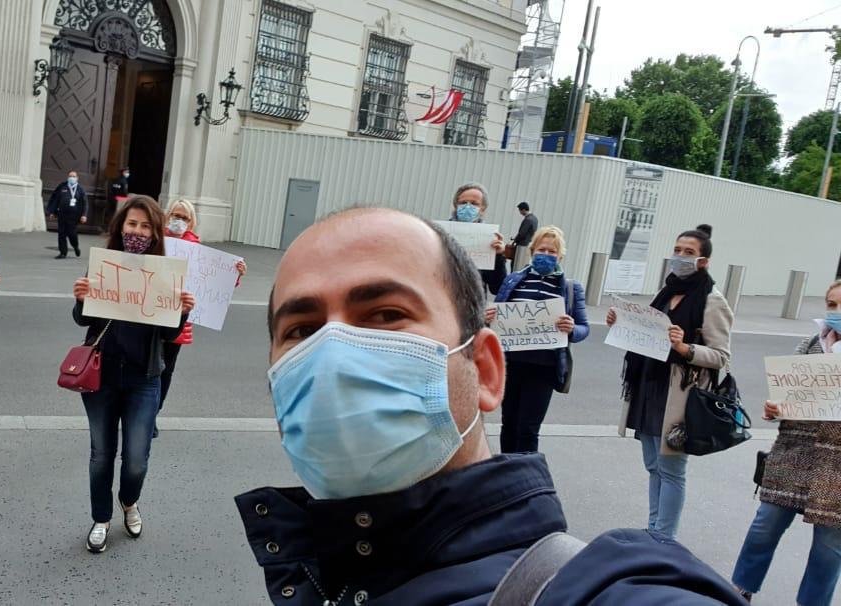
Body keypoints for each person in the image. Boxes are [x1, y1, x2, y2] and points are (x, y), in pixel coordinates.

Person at [238, 206, 745, 604]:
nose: (334, 354)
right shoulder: (314, 575)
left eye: (387, 315)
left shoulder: (597, 592)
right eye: (301, 330)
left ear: (483, 370)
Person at [71, 195, 195, 554]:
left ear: (155, 232)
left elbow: (169, 335)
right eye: (132, 224)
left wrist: (182, 312)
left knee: (137, 458)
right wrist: (81, 299)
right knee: (101, 454)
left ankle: (129, 501)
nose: (137, 232)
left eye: (145, 226)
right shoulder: (104, 266)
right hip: (102, 376)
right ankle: (101, 518)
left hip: (144, 379)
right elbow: (83, 320)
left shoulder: (165, 274)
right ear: (121, 227)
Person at [609, 224, 733, 540]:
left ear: (703, 261)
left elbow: (720, 356)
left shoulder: (712, 300)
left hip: (679, 394)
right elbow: (645, 330)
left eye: (688, 252)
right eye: (677, 250)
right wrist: (620, 323)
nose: (680, 257)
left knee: (672, 470)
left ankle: (664, 536)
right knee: (654, 465)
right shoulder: (666, 291)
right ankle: (655, 529)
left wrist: (684, 348)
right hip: (649, 385)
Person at [731, 280, 841, 606]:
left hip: (837, 467)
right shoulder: (810, 345)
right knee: (764, 526)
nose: (835, 311)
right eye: (831, 304)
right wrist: (774, 409)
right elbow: (785, 397)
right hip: (793, 454)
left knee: (828, 548)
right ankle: (740, 590)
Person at [485, 226, 588, 453]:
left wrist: (572, 329)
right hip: (511, 364)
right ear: (532, 252)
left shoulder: (571, 288)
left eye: (552, 251)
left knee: (528, 429)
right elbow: (495, 317)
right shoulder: (513, 281)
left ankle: (526, 471)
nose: (546, 255)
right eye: (542, 250)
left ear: (560, 256)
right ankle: (509, 468)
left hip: (544, 368)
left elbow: (584, 329)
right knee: (509, 424)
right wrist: (489, 318)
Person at [156, 199, 247, 438]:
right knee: (149, 368)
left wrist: (234, 274)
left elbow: (213, 284)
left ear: (191, 222)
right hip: (153, 317)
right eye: (175, 215)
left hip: (179, 321)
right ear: (167, 216)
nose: (178, 221)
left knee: (166, 370)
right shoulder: (157, 241)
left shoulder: (197, 249)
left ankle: (153, 412)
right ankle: (142, 411)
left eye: (184, 218)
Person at [449, 183, 507, 294]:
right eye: (463, 203)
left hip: (472, 301)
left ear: (483, 209)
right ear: (456, 206)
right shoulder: (440, 234)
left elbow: (497, 288)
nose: (468, 207)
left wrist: (498, 256)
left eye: (474, 203)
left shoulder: (490, 239)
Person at [46, 170, 87, 259]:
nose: (72, 178)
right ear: (68, 177)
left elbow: (84, 203)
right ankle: (63, 252)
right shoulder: (62, 186)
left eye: (74, 176)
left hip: (74, 216)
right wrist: (52, 212)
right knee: (61, 234)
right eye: (70, 176)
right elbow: (55, 198)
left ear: (77, 178)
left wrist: (84, 215)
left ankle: (75, 246)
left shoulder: (80, 189)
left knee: (72, 234)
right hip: (62, 214)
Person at [511, 201, 538, 272]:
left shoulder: (528, 220)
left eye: (520, 211)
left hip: (522, 246)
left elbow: (522, 233)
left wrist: (514, 241)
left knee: (515, 265)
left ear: (523, 210)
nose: (520, 213)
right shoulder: (535, 219)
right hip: (529, 244)